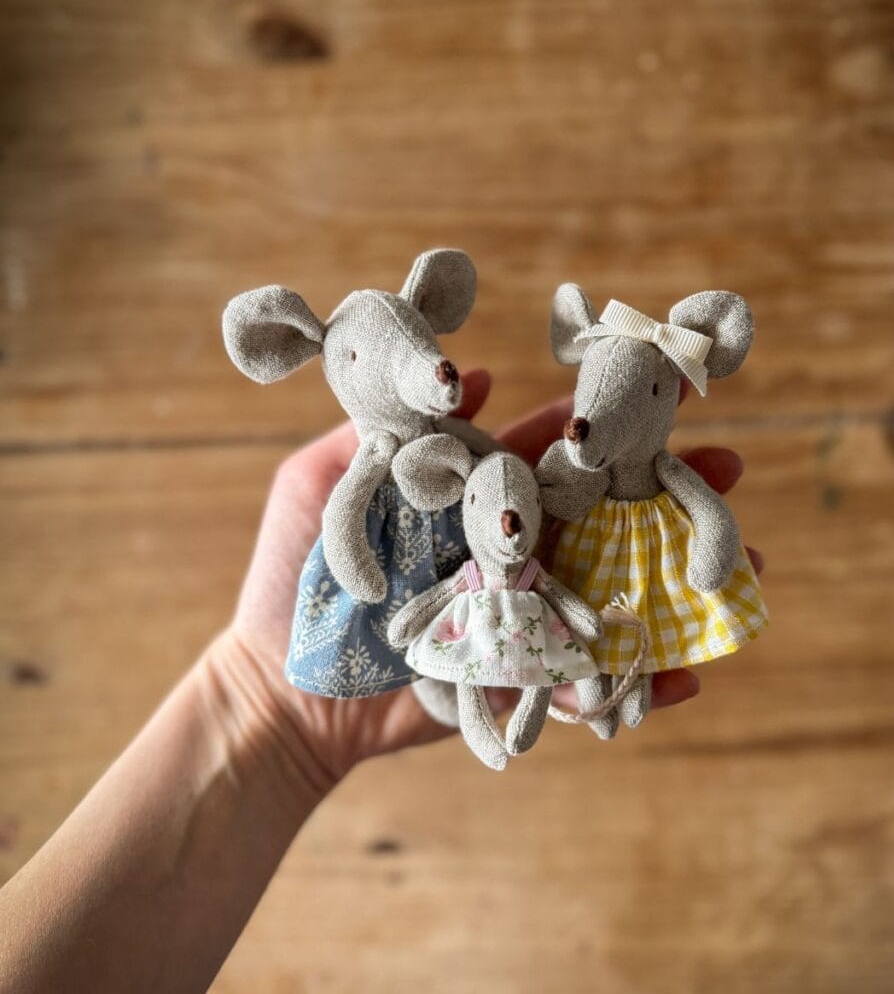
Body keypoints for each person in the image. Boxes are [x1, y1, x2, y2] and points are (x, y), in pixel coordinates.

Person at [0, 370, 760, 993]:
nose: (506, 525)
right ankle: (512, 717)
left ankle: (539, 717)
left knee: (570, 671)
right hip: (465, 622)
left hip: (535, 617)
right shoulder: (429, 513)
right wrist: (372, 620)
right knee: (468, 680)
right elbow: (396, 583)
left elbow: (574, 606)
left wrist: (589, 627)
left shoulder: (540, 552)